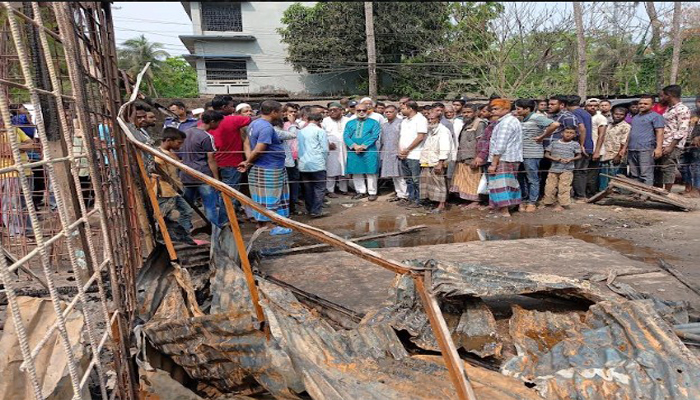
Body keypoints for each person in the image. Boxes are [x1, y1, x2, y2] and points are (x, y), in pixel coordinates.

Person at [238, 100, 292, 235]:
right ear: (273, 112)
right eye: (280, 111)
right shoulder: (266, 128)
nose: (282, 114)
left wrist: (249, 161)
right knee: (270, 197)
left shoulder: (253, 124)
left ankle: (262, 223)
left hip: (261, 166)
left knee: (260, 197)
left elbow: (246, 144)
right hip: (269, 167)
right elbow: (260, 148)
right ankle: (269, 225)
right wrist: (249, 161)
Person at [208, 98, 252, 224]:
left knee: (219, 193)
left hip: (213, 162)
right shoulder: (232, 119)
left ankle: (223, 219)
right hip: (232, 162)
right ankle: (224, 222)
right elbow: (254, 119)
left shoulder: (204, 122)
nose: (233, 109)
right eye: (231, 106)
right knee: (230, 193)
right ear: (224, 107)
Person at [153, 127, 195, 243]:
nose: (180, 146)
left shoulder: (169, 153)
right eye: (179, 142)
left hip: (173, 190)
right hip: (164, 191)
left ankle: (183, 237)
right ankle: (163, 241)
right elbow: (155, 170)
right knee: (163, 217)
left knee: (187, 211)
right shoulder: (159, 154)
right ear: (168, 140)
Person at [515, 99, 557, 212]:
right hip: (520, 153)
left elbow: (554, 124)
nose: (516, 111)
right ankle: (523, 200)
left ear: (527, 109)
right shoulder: (522, 119)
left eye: (518, 109)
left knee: (532, 178)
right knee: (520, 178)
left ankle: (532, 201)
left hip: (532, 153)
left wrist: (542, 137)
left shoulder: (537, 117)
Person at [487, 99, 523, 217]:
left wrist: (494, 163)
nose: (493, 111)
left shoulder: (506, 123)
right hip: (511, 157)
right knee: (511, 182)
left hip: (504, 158)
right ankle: (515, 206)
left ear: (506, 109)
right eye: (492, 109)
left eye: (496, 109)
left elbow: (500, 145)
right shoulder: (511, 120)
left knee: (501, 184)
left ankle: (504, 210)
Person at [450, 104, 486, 208]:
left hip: (473, 156)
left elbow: (481, 142)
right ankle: (467, 200)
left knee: (473, 179)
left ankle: (476, 201)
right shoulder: (466, 123)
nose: (466, 114)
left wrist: (478, 157)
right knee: (464, 179)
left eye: (469, 112)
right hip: (463, 155)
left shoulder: (480, 124)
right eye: (464, 112)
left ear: (475, 113)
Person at [623, 95, 664, 186]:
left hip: (646, 149)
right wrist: (625, 147)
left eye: (646, 104)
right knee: (634, 174)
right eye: (640, 103)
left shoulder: (656, 117)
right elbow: (631, 133)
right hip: (632, 149)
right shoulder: (636, 117)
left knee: (646, 173)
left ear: (652, 105)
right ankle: (637, 193)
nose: (642, 105)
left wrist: (658, 148)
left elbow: (659, 132)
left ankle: (645, 194)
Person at [344, 102, 381, 201]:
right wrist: (355, 146)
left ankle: (372, 192)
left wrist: (363, 146)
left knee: (371, 171)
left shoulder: (374, 122)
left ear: (367, 111)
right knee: (356, 171)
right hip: (354, 151)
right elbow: (346, 136)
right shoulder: (350, 123)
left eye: (364, 110)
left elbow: (375, 136)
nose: (361, 112)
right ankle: (361, 191)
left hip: (369, 150)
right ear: (355, 111)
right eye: (358, 110)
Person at [656, 84, 691, 191]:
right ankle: (658, 190)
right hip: (663, 142)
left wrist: (671, 146)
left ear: (669, 95)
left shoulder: (682, 109)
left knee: (668, 168)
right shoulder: (669, 109)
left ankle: (667, 192)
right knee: (659, 168)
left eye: (663, 96)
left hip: (673, 145)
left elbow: (682, 129)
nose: (661, 98)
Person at [419, 108, 453, 213]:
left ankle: (441, 205)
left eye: (432, 119)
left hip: (437, 162)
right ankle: (434, 203)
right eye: (428, 119)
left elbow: (445, 148)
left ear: (438, 119)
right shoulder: (431, 131)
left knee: (439, 184)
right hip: (428, 160)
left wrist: (440, 163)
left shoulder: (443, 131)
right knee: (430, 183)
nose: (430, 121)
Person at [541, 127, 582, 211]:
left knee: (564, 187)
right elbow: (546, 154)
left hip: (567, 169)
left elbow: (579, 155)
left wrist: (571, 159)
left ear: (574, 135)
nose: (568, 134)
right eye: (567, 132)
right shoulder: (554, 143)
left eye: (571, 133)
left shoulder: (575, 144)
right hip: (554, 168)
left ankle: (562, 204)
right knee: (550, 186)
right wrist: (554, 158)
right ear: (562, 133)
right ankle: (548, 202)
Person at [297, 112, 329, 217]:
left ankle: (310, 209)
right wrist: (324, 161)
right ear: (320, 121)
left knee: (308, 188)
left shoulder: (300, 132)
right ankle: (316, 210)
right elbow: (324, 149)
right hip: (317, 163)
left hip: (303, 164)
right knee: (319, 188)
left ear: (308, 120)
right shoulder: (320, 131)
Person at [399, 101, 428, 208]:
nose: (401, 111)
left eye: (403, 108)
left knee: (416, 179)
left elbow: (420, 137)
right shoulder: (404, 121)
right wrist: (401, 151)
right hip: (403, 155)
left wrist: (407, 150)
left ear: (410, 108)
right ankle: (411, 198)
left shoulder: (421, 120)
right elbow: (401, 137)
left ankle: (419, 200)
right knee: (408, 179)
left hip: (415, 155)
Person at [379, 105, 407, 202]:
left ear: (396, 112)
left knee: (401, 175)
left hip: (398, 152)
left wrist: (402, 150)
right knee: (394, 175)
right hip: (387, 152)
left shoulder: (401, 123)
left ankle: (405, 195)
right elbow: (382, 141)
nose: (388, 113)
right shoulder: (384, 125)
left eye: (390, 112)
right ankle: (399, 194)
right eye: (386, 112)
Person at [599, 106, 631, 191]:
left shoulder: (626, 126)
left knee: (615, 175)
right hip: (606, 154)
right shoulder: (609, 125)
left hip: (616, 154)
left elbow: (624, 142)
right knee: (604, 175)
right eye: (616, 114)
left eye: (621, 114)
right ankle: (603, 191)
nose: (618, 116)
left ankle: (616, 192)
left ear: (624, 116)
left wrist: (619, 155)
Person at [322, 102, 349, 197]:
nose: (332, 112)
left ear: (341, 111)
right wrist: (327, 144)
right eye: (330, 110)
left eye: (335, 110)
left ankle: (343, 189)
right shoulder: (325, 121)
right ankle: (330, 190)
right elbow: (322, 134)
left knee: (344, 168)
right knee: (331, 169)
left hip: (345, 147)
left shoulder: (347, 120)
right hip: (331, 149)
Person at [567, 95, 591, 201]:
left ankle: (580, 195)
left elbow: (582, 129)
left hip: (582, 146)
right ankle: (581, 194)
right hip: (588, 145)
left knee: (578, 171)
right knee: (582, 171)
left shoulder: (574, 113)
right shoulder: (585, 112)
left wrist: (581, 145)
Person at [588, 98, 608, 196]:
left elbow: (601, 135)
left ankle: (591, 193)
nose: (592, 107)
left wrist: (597, 151)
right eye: (590, 105)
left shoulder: (600, 118)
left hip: (596, 148)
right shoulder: (587, 116)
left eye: (595, 105)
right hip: (587, 148)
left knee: (592, 173)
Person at [681, 96, 700, 198]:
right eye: (699, 102)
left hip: (697, 145)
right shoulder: (692, 113)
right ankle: (688, 187)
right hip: (687, 143)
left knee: (696, 167)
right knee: (683, 166)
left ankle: (697, 189)